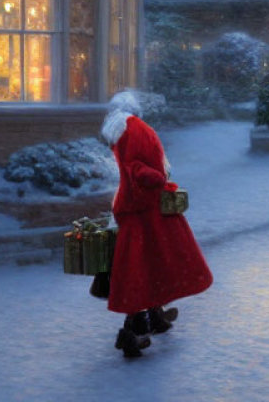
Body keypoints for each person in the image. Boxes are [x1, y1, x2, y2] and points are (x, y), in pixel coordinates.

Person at [102, 107, 213, 357]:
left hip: (140, 217)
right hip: (141, 219)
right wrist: (160, 180)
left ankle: (155, 316)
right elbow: (141, 172)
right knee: (140, 274)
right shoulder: (134, 147)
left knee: (151, 268)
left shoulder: (128, 141)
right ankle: (134, 333)